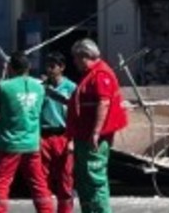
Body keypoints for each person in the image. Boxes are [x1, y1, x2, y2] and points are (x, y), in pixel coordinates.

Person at [67, 38, 127, 213]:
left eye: (76, 58)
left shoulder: (100, 75)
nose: (74, 62)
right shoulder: (90, 74)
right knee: (85, 179)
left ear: (85, 56)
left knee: (94, 177)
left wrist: (95, 132)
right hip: (83, 136)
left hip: (92, 138)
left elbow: (104, 103)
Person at [0, 52, 52, 213]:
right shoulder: (39, 87)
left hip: (8, 143)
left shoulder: (4, 87)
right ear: (28, 67)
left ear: (10, 67)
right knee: (38, 183)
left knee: (1, 184)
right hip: (32, 143)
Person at [40, 53, 77, 213]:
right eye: (47, 66)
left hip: (64, 135)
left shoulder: (71, 88)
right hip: (44, 136)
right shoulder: (41, 88)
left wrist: (72, 139)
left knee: (65, 178)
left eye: (52, 66)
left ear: (61, 67)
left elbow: (76, 115)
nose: (49, 70)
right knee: (43, 178)